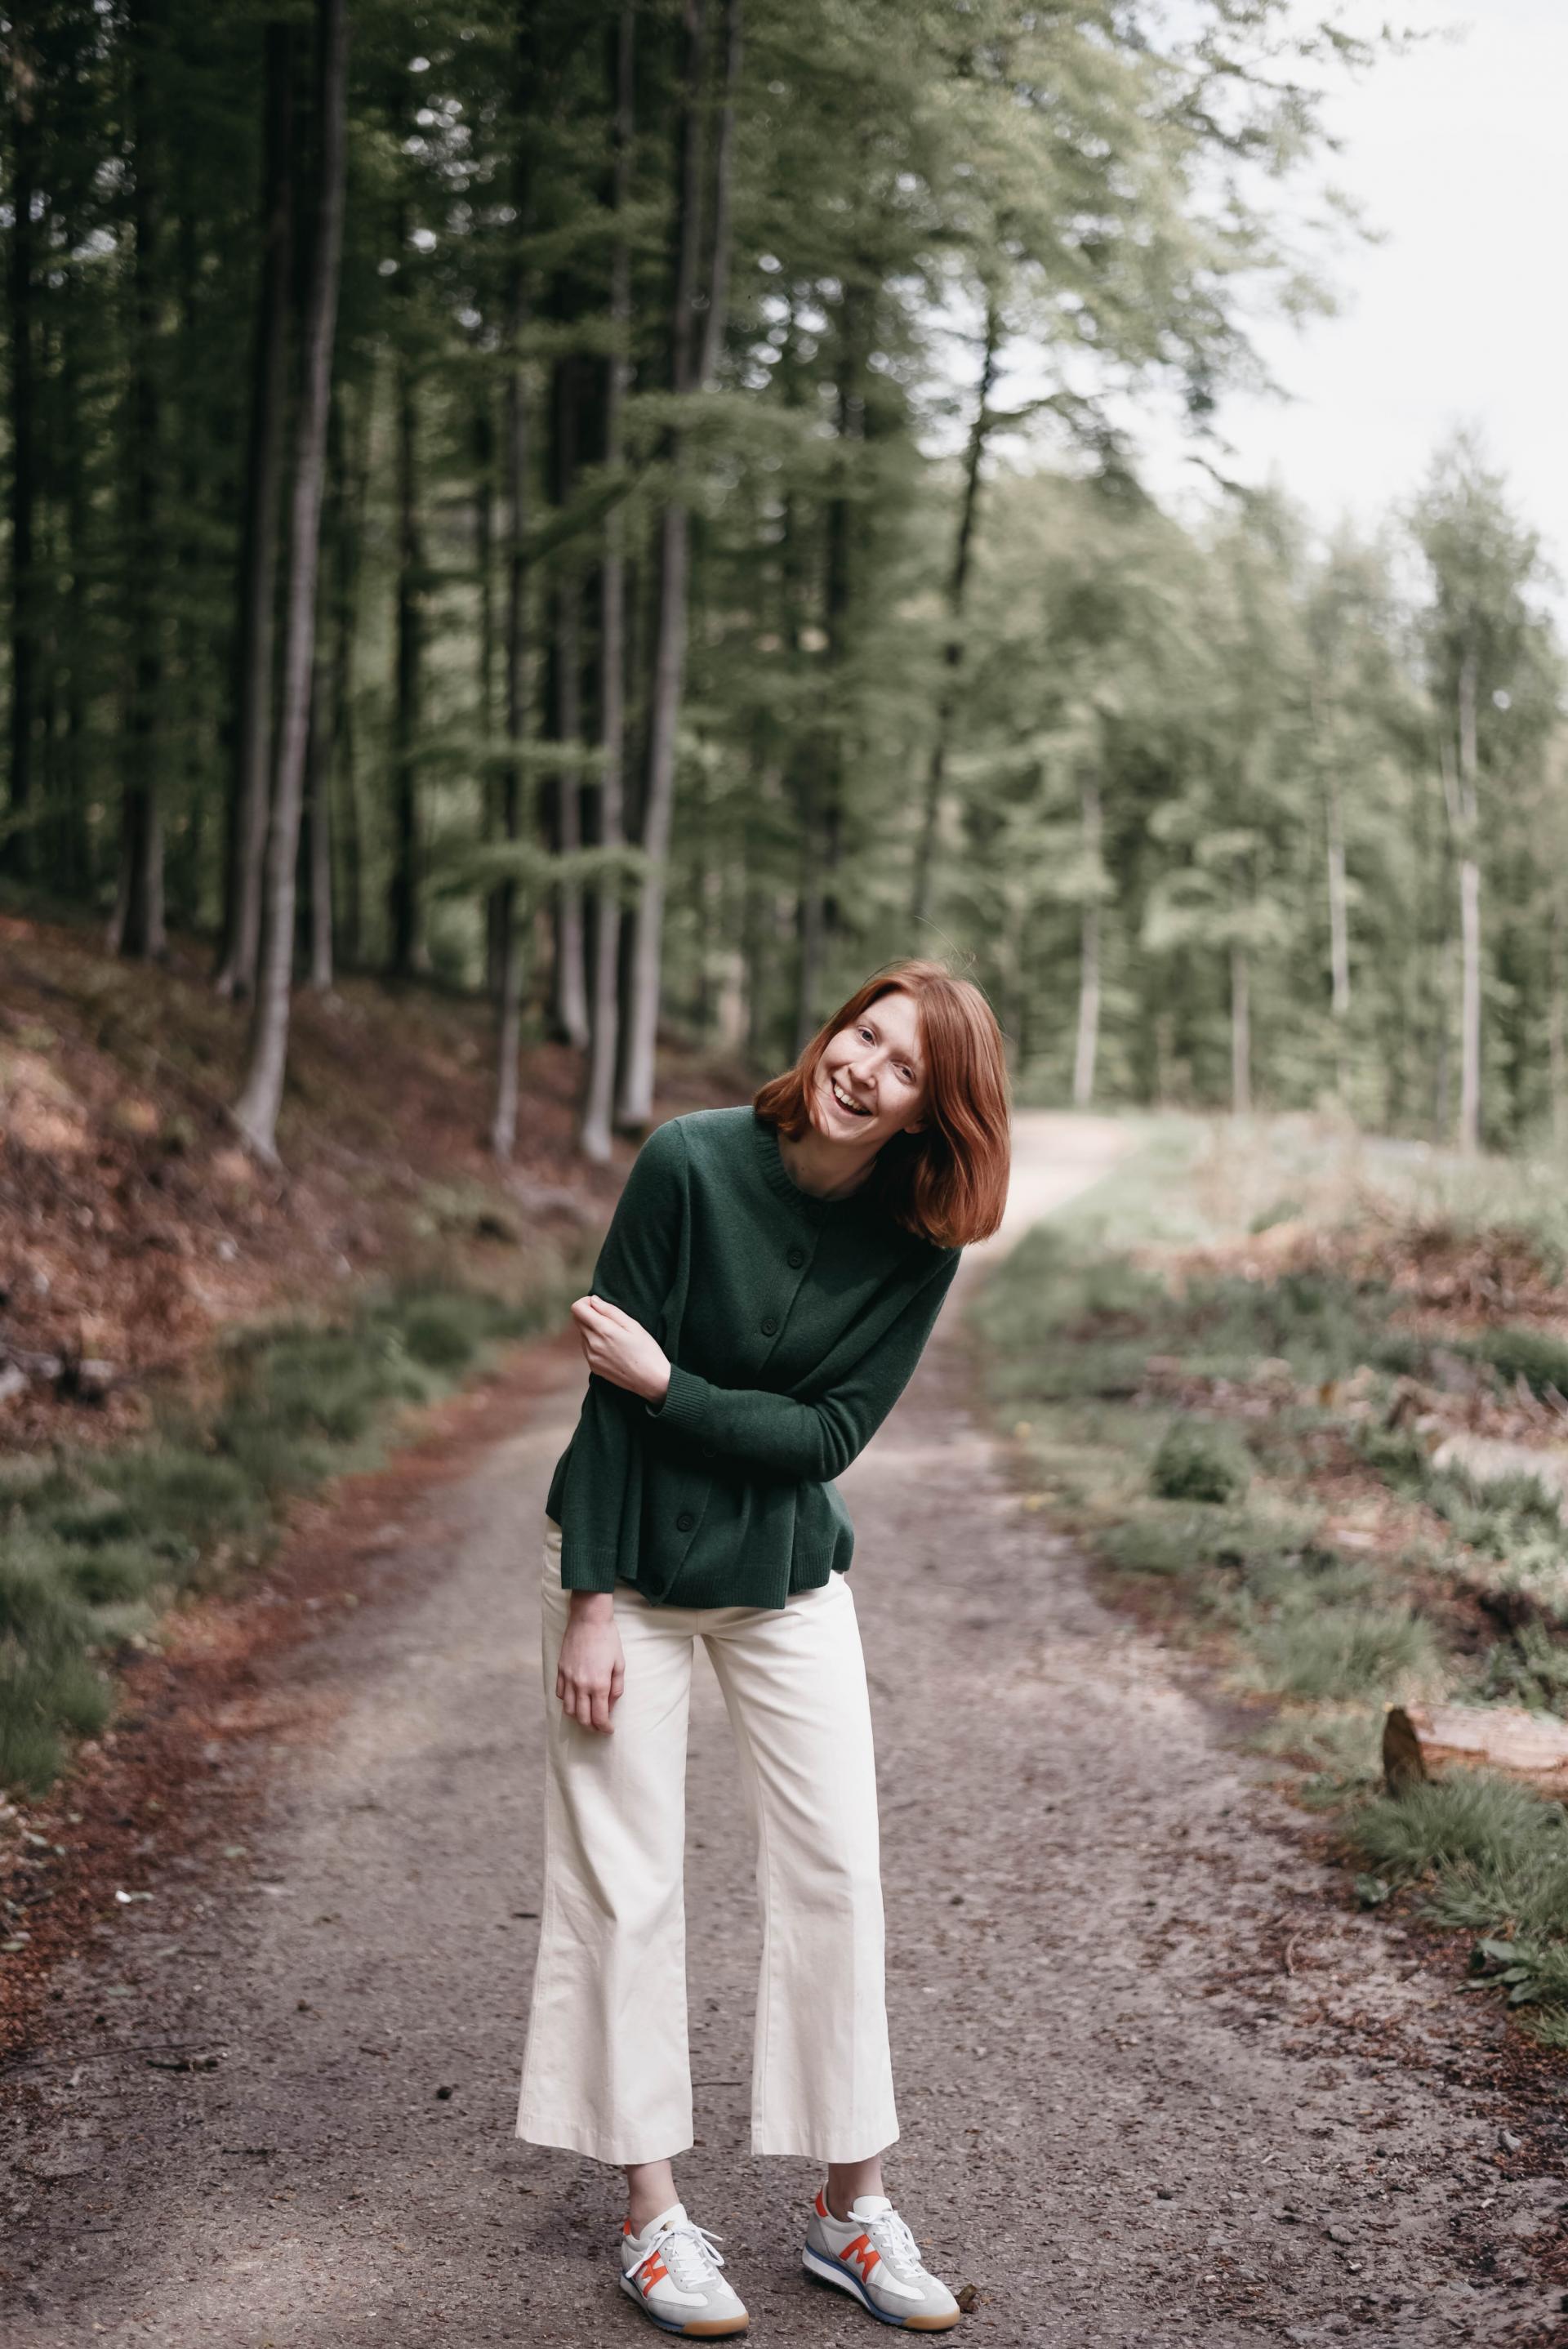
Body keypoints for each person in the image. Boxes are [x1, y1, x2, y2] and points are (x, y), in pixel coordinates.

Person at [515, 956, 1011, 2336]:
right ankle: (654, 2221)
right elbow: (601, 1402)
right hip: (627, 1573)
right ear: (834, 1027)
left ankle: (851, 2213)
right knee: (627, 1888)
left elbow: (826, 1442)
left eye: (906, 1068)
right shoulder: (688, 1163)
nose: (865, 1069)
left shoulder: (922, 1239)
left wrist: (676, 1383)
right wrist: (593, 1603)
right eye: (865, 1034)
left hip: (788, 1580)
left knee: (839, 1875)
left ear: (931, 1111)